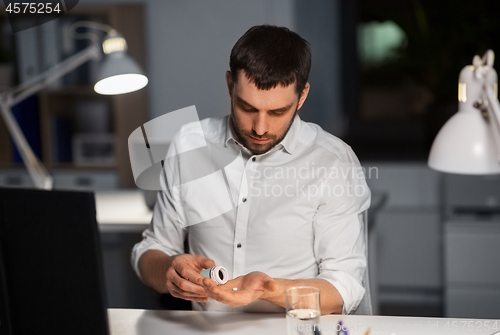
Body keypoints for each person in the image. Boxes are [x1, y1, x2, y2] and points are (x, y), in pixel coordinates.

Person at [131, 25, 371, 315]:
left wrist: (270, 290)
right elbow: (150, 250)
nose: (260, 128)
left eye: (278, 112)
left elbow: (345, 286)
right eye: (247, 108)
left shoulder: (333, 161)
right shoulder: (190, 144)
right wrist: (169, 270)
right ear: (230, 85)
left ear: (302, 96)